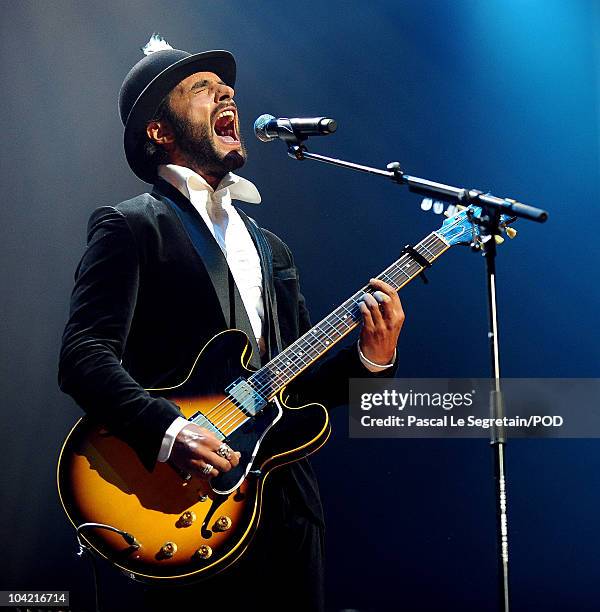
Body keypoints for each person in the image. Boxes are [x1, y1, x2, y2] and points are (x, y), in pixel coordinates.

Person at [58, 36, 405, 612]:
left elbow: (296, 388)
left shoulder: (272, 249)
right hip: (176, 505)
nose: (227, 96)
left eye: (229, 91)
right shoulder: (133, 227)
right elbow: (84, 356)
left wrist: (370, 359)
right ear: (157, 130)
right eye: (201, 89)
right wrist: (170, 429)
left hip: (284, 507)